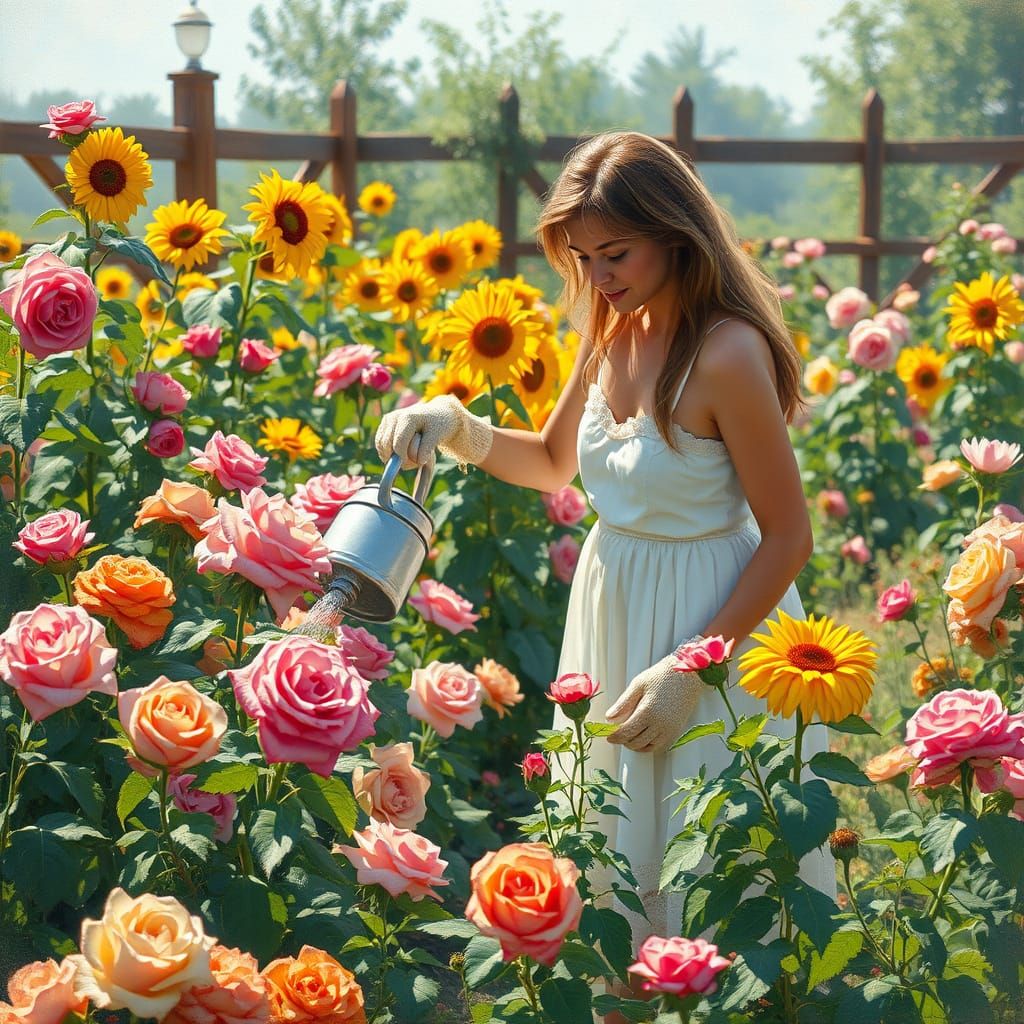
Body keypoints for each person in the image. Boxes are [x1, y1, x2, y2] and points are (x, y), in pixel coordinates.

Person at [374, 131, 836, 953]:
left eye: (614, 253)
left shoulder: (727, 352)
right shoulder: (610, 332)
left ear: (674, 233)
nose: (598, 277)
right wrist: (454, 424)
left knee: (712, 862)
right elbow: (554, 464)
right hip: (614, 602)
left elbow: (790, 536)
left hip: (714, 617)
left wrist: (695, 666)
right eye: (583, 257)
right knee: (616, 852)